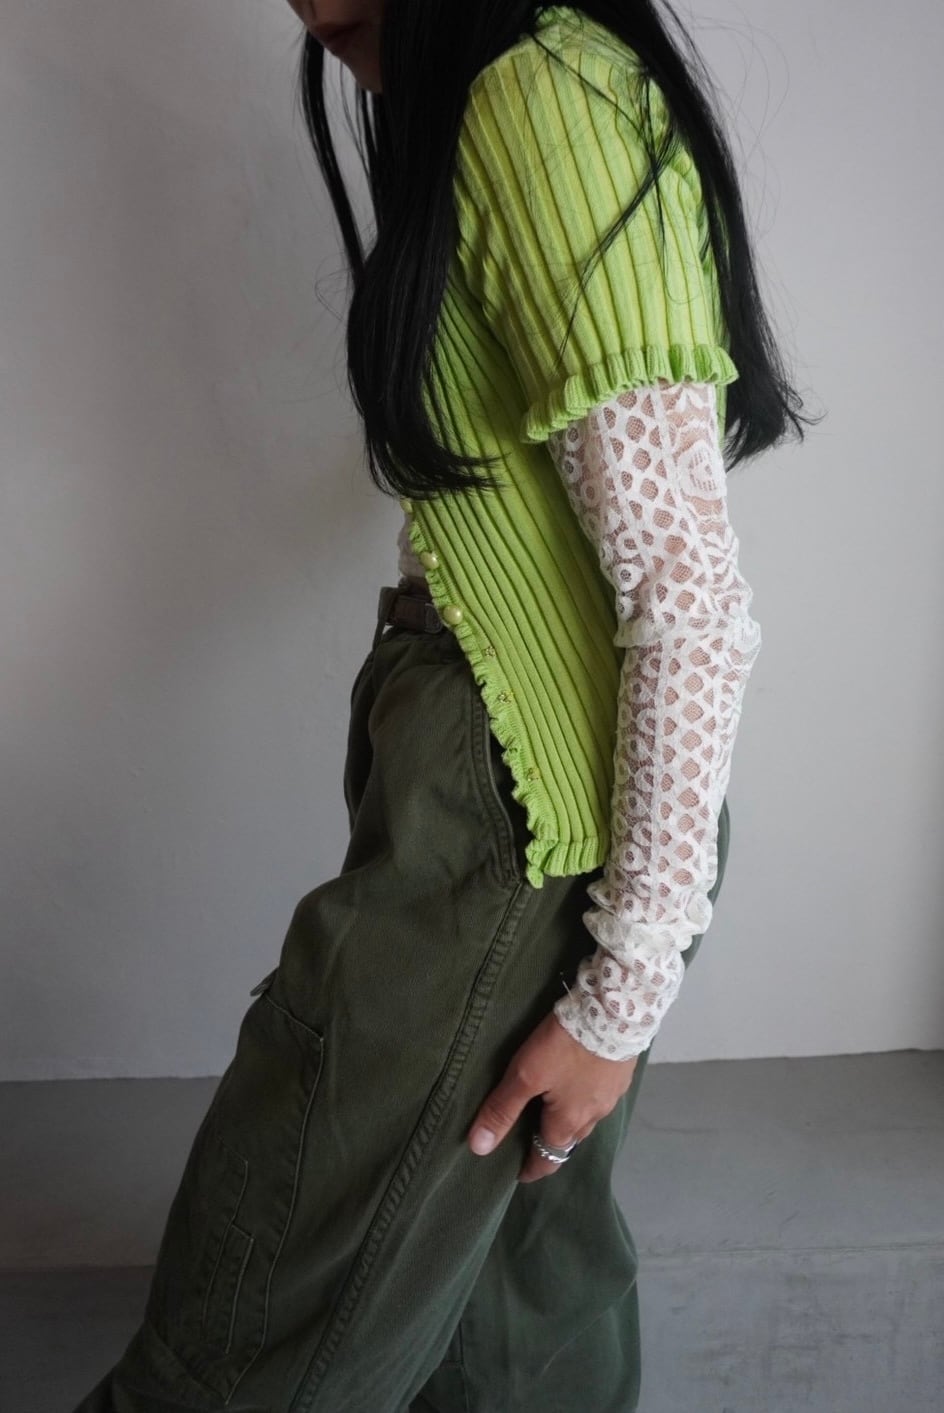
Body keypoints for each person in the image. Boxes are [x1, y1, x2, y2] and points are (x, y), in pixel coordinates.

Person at [72, 4, 816, 1410]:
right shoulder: (531, 88)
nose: (309, 14)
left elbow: (691, 602)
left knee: (237, 1356)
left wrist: (622, 992)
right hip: (540, 798)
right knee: (516, 1325)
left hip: (511, 816)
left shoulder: (539, 95)